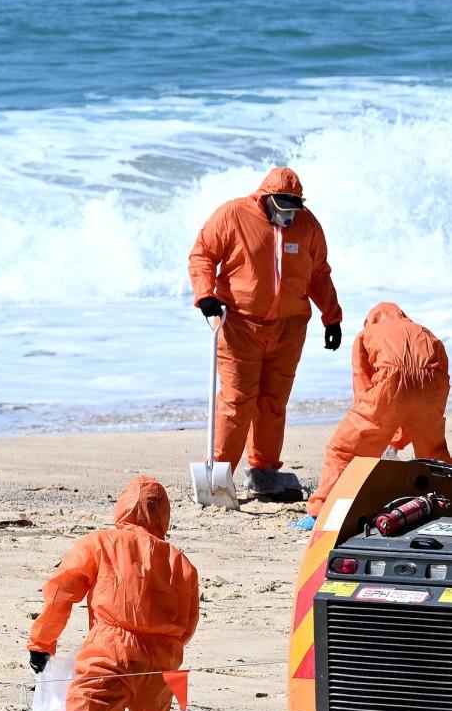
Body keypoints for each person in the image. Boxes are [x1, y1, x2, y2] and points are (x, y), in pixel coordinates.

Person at [25, 476, 200, 711]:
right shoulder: (180, 561)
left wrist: (42, 642)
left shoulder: (101, 542)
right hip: (164, 661)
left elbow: (62, 590)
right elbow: (187, 624)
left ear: (122, 506)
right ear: (163, 516)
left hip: (111, 651)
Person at [190, 166, 340, 503]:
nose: (287, 215)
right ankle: (219, 473)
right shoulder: (232, 215)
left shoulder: (308, 225)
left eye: (293, 208)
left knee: (273, 402)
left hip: (289, 329)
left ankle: (264, 472)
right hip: (239, 324)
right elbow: (202, 255)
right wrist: (205, 295)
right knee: (237, 400)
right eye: (281, 207)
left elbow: (318, 274)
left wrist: (332, 316)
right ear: (265, 198)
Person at [308, 301, 449, 516]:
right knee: (434, 453)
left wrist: (379, 434)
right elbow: (443, 375)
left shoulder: (367, 334)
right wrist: (401, 435)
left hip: (390, 386)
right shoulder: (424, 331)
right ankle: (447, 501)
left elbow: (362, 386)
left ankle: (322, 512)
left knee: (343, 450)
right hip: (431, 388)